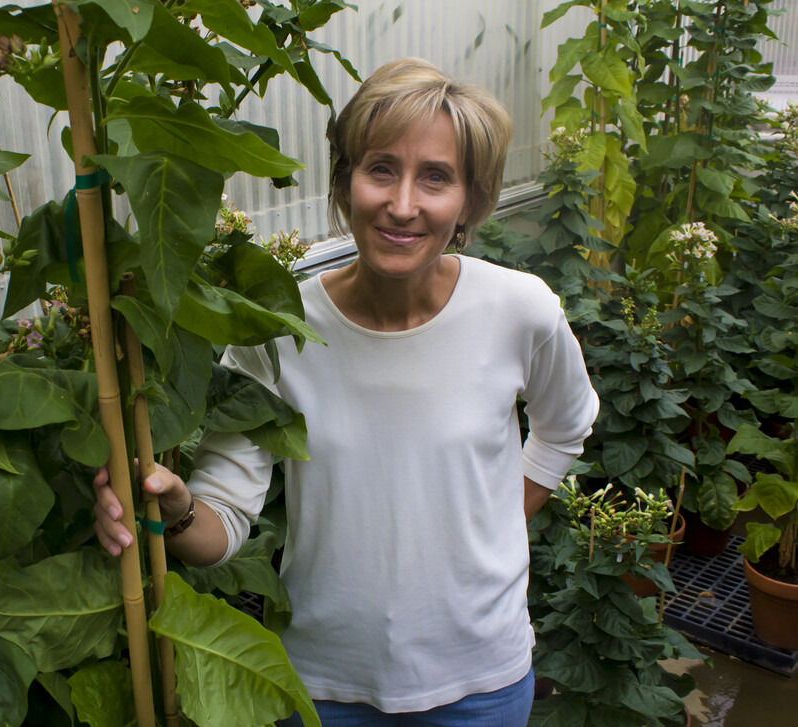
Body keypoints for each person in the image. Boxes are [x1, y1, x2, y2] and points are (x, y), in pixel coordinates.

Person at [93, 58, 600, 727]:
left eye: (437, 177)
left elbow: (566, 426)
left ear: (472, 202)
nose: (403, 203)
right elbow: (220, 528)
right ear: (346, 182)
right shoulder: (277, 329)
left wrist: (500, 522)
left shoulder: (519, 310)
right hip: (322, 686)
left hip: (479, 679)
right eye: (381, 168)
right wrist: (175, 506)